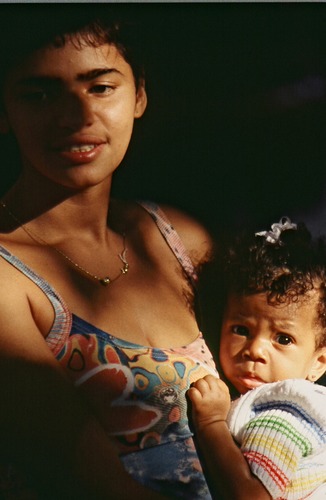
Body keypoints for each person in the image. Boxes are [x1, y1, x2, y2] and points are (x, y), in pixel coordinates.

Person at [0, 5, 217, 499]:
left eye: (100, 87)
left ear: (139, 94)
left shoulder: (177, 237)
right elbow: (81, 477)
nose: (76, 116)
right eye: (38, 94)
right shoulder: (5, 276)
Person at [188, 218, 326, 499]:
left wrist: (211, 424)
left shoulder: (284, 412)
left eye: (283, 339)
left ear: (318, 363)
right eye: (241, 330)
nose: (255, 350)